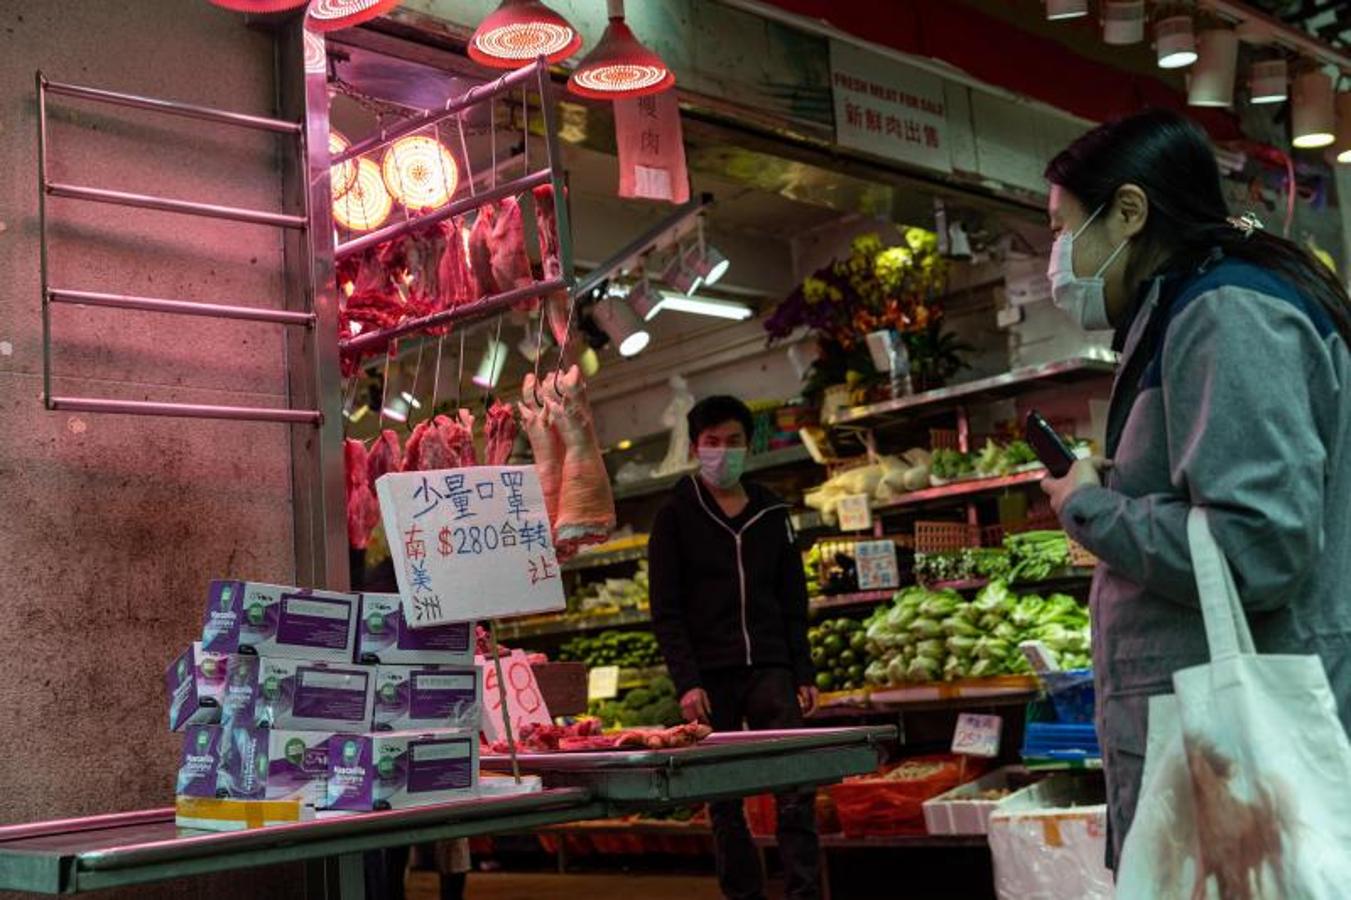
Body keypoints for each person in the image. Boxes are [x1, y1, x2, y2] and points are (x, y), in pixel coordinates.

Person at [1038, 109, 1351, 870]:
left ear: (1129, 211)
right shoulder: (1197, 306)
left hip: (1243, 759)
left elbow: (1255, 547)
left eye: (1060, 226)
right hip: (1228, 757)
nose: (1054, 255)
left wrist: (1089, 505)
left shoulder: (1224, 310)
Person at [648, 395, 820, 900]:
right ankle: (743, 894)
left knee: (795, 789)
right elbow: (667, 611)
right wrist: (687, 681)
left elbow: (793, 599)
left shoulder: (772, 512)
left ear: (750, 444)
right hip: (710, 677)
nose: (723, 453)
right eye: (712, 442)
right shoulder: (675, 516)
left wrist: (802, 670)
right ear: (695, 446)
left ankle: (804, 891)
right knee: (723, 799)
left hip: (771, 669)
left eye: (734, 442)